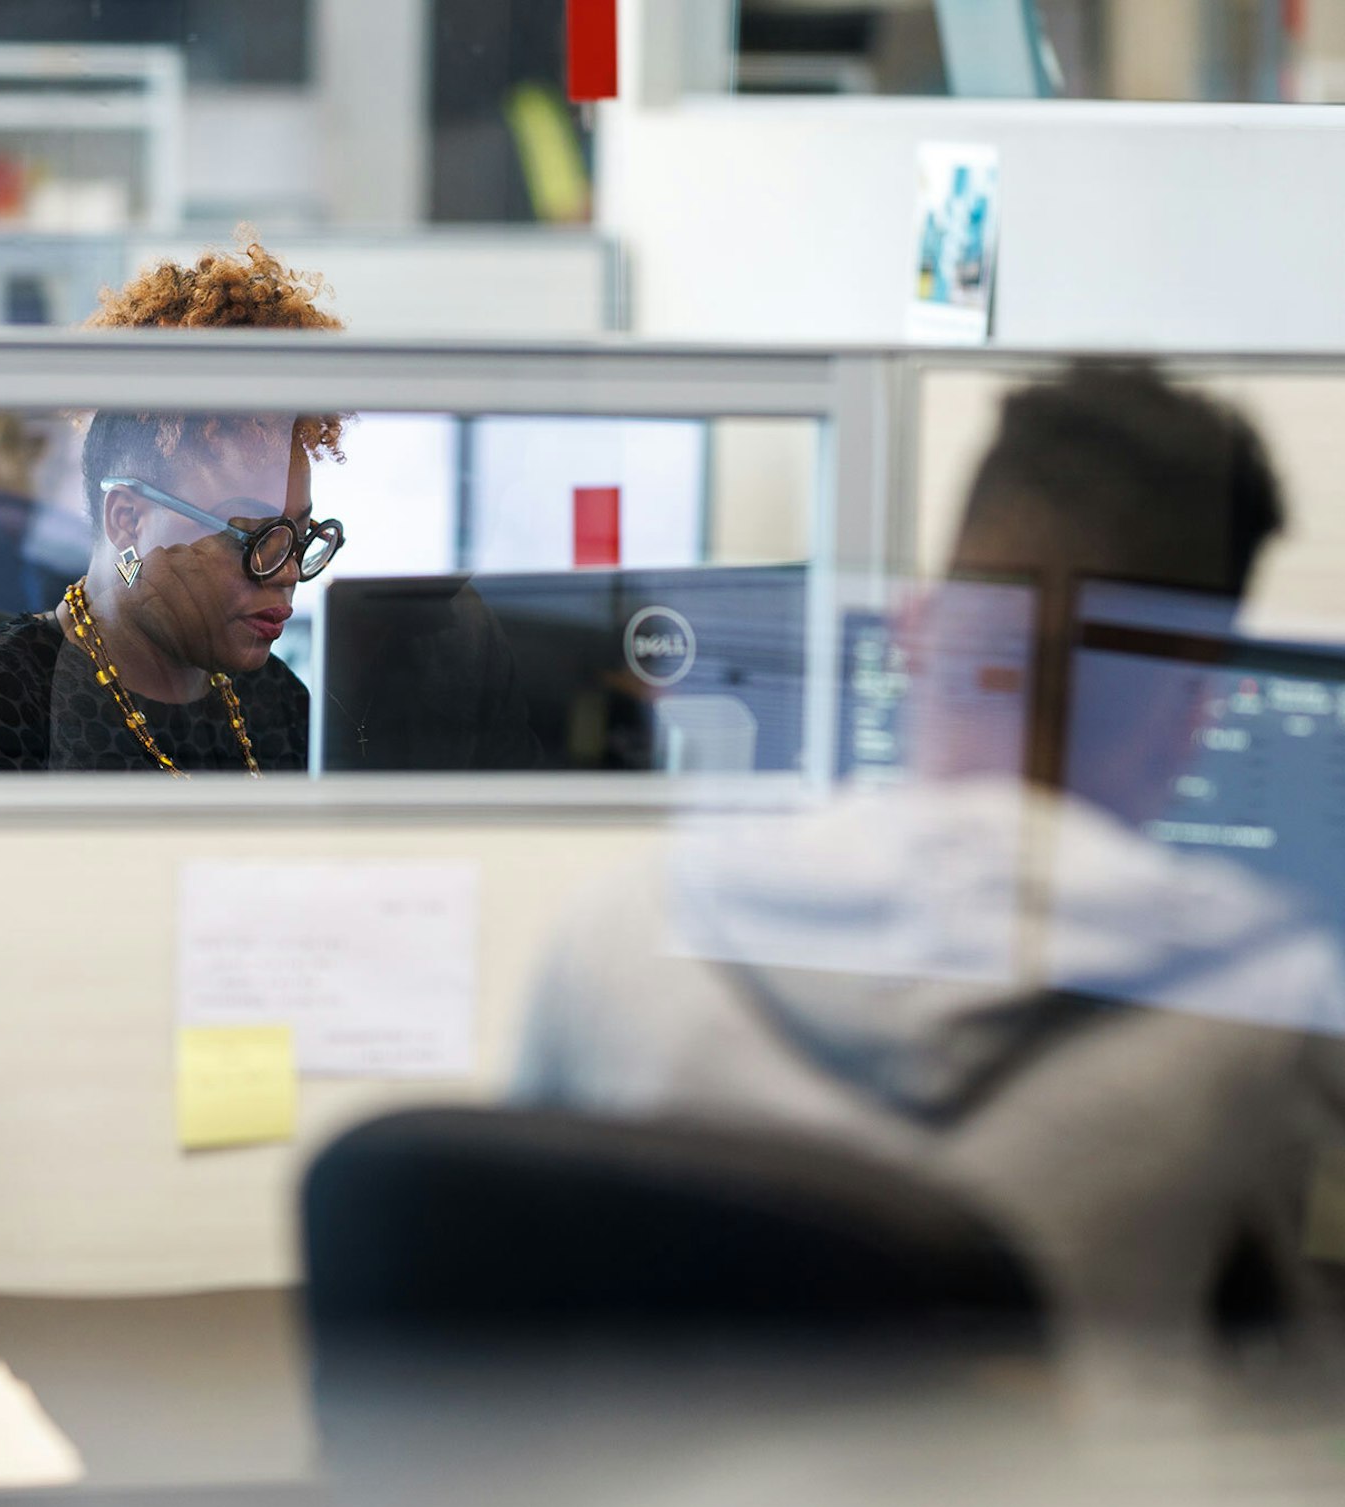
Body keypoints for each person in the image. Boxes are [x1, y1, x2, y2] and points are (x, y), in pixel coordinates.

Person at [513, 363, 1345, 1346]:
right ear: (1194, 715)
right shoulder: (1270, 1010)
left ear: (914, 631)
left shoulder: (618, 932)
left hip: (680, 1500)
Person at [0, 240, 346, 773]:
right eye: (254, 537)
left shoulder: (277, 702)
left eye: (299, 536)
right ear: (128, 520)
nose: (287, 573)